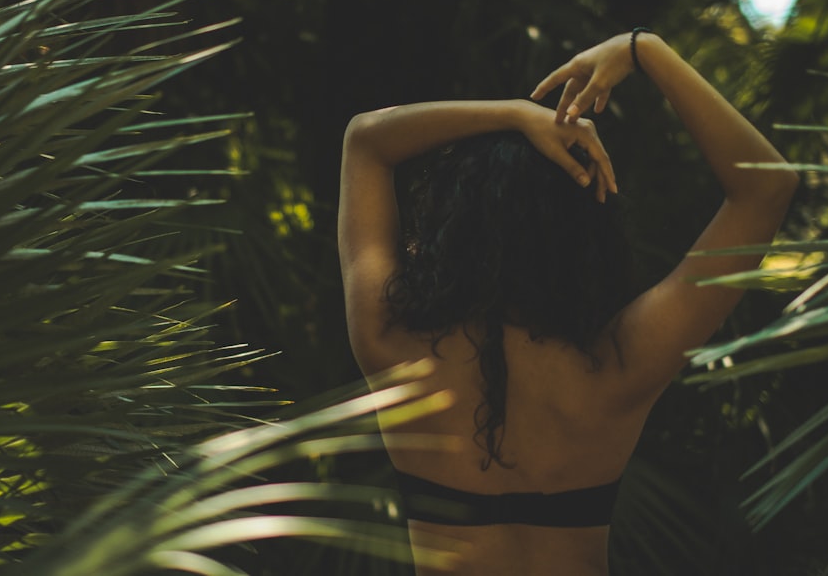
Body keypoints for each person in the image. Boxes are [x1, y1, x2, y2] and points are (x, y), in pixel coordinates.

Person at [337, 30, 798, 575]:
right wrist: (642, 49)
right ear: (584, 233)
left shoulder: (390, 342)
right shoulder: (619, 362)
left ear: (453, 226)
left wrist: (511, 115)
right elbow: (767, 189)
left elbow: (365, 139)